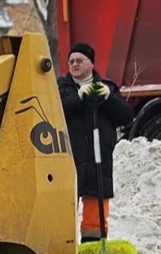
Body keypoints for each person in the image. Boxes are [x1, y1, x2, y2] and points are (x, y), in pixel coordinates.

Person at [57, 42, 135, 242]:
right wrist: (77, 98)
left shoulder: (107, 88)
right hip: (68, 159)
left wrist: (109, 98)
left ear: (91, 63)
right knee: (63, 211)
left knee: (95, 214)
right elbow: (54, 114)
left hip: (98, 160)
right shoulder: (60, 88)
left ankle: (93, 250)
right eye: (71, 61)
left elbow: (126, 116)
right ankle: (65, 250)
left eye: (79, 60)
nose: (74, 64)